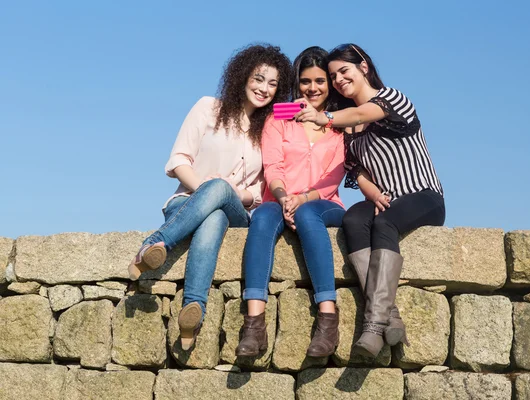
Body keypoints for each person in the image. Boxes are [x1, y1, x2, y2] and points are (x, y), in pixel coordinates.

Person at [128, 44, 292, 351]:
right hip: (186, 202)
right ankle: (194, 311)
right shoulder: (208, 107)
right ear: (242, 76)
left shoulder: (271, 122)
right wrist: (207, 190)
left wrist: (230, 192)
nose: (264, 89)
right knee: (212, 212)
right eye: (258, 78)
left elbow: (308, 111)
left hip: (238, 209)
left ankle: (155, 243)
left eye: (273, 84)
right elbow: (178, 161)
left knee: (220, 196)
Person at [295, 43, 445, 358]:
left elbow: (364, 111)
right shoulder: (350, 128)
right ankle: (390, 316)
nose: (337, 80)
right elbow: (358, 170)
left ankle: (374, 326)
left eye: (343, 71)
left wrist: (324, 117)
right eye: (333, 76)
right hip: (385, 199)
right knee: (352, 220)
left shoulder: (392, 98)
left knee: (384, 221)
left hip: (423, 196)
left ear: (363, 66)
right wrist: (372, 191)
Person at [236, 47, 348, 358]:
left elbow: (333, 177)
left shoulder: (338, 122)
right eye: (305, 81)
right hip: (279, 197)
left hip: (323, 201)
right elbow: (273, 165)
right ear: (296, 83)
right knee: (261, 218)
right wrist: (286, 197)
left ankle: (328, 320)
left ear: (330, 84)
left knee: (310, 213)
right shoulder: (281, 117)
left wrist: (301, 199)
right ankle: (254, 325)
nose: (313, 88)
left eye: (320, 81)